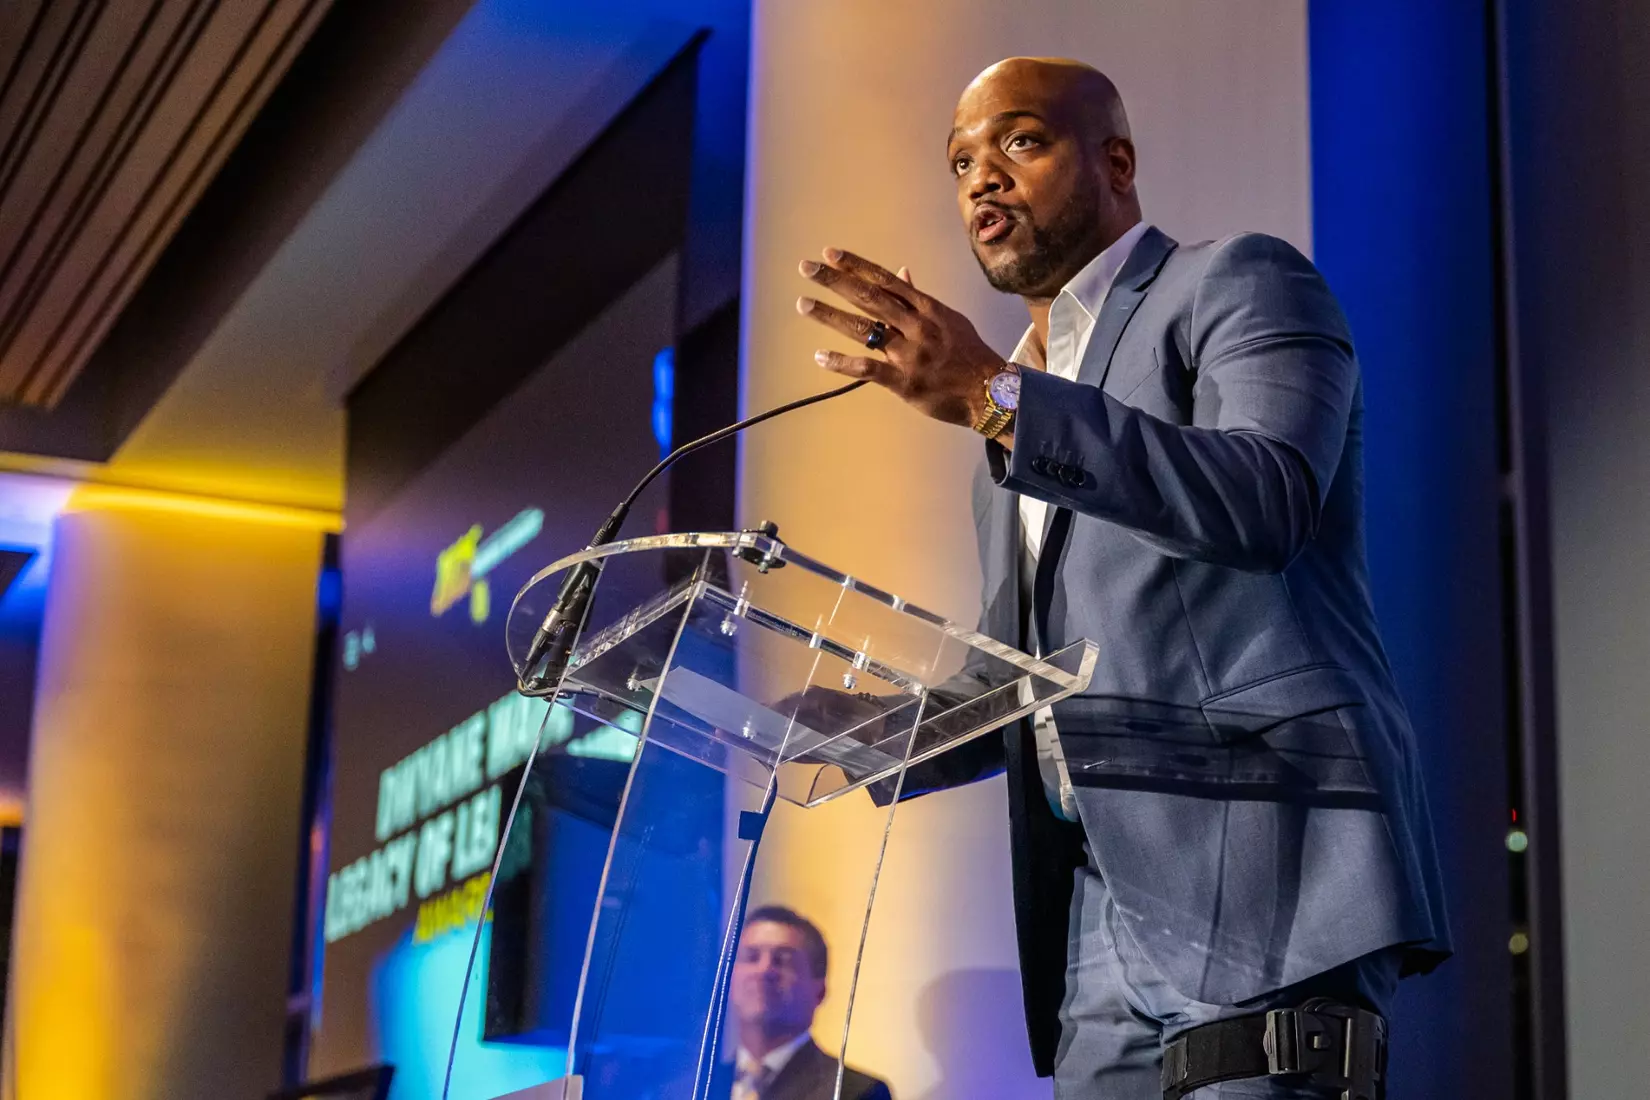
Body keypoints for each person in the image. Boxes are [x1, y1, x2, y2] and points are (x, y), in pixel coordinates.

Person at [793, 57, 1450, 1098]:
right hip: (1102, 907)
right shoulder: (1012, 412)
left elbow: (1265, 498)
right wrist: (868, 732)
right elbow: (1021, 676)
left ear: (1117, 160)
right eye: (960, 161)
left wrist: (992, 394)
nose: (981, 180)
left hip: (1266, 859)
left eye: (1019, 142)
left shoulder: (1237, 281)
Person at [712, 906, 893, 1100]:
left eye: (782, 960)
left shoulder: (856, 1092)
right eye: (751, 957)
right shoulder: (691, 1086)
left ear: (819, 990)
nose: (764, 971)